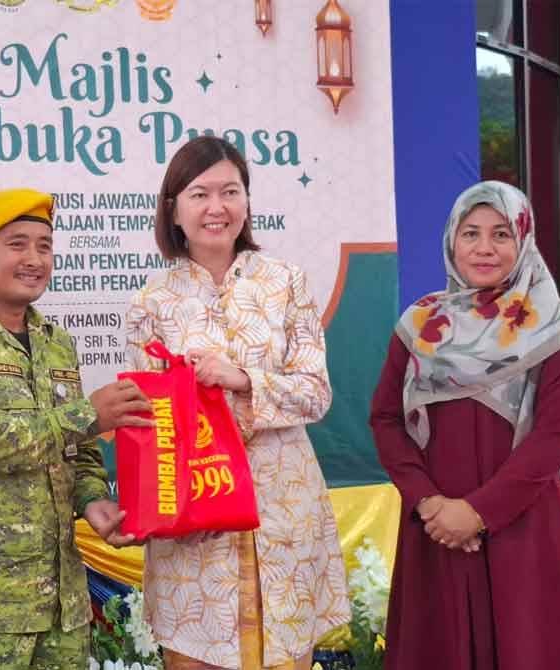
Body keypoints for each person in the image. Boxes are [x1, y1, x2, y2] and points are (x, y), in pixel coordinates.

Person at [0, 188, 154, 670]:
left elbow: (77, 452)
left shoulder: (56, 342)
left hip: (61, 608)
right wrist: (87, 415)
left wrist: (93, 501)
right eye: (17, 244)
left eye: (44, 245)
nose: (35, 259)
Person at [125, 136, 350, 669]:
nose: (216, 207)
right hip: (195, 516)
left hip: (281, 499)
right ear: (173, 210)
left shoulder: (285, 282)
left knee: (283, 652)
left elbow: (316, 393)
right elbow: (147, 420)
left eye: (230, 191)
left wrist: (244, 379)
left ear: (246, 203)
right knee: (197, 652)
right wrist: (171, 503)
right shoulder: (151, 300)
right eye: (199, 194)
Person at [369, 181, 560, 669]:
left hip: (521, 526)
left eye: (501, 234)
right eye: (471, 233)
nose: (484, 248)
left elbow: (559, 432)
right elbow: (385, 418)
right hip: (436, 529)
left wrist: (480, 512)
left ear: (524, 240)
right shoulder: (420, 323)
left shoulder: (556, 327)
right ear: (451, 240)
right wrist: (429, 503)